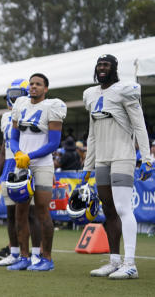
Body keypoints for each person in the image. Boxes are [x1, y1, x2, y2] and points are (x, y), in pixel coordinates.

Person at [81, 54, 152, 279]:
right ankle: (114, 261)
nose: (102, 68)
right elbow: (92, 133)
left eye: (106, 65)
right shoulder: (90, 94)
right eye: (99, 64)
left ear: (114, 68)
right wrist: (87, 166)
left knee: (123, 208)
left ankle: (130, 264)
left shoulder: (126, 89)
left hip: (123, 156)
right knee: (108, 209)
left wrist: (147, 158)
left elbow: (140, 125)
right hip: (102, 158)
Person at [8, 73, 66, 271]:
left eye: (38, 84)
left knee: (42, 211)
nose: (33, 87)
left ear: (46, 88)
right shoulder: (20, 104)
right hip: (22, 164)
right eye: (31, 83)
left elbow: (54, 143)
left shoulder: (52, 106)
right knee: (20, 213)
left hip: (42, 164)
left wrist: (29, 155)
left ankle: (46, 258)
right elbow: (13, 137)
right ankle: (23, 257)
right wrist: (18, 153)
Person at [0, 79, 41, 266]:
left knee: (31, 214)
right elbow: (4, 149)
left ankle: (35, 254)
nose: (10, 100)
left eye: (15, 95)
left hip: (26, 165)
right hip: (9, 170)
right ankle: (15, 252)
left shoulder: (33, 112)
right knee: (11, 216)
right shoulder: (5, 118)